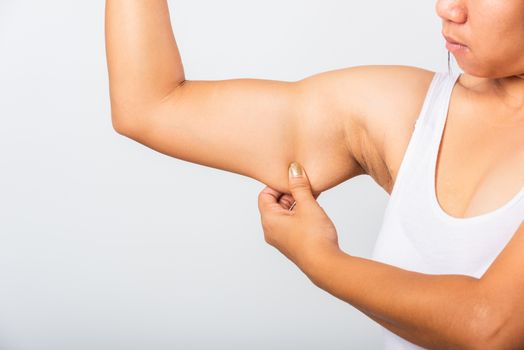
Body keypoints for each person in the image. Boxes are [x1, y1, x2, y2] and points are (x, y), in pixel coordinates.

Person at [105, 1, 524, 348]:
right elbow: (150, 107)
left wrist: (319, 260)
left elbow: (489, 328)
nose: (447, 8)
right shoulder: (410, 110)